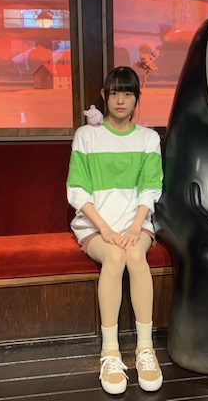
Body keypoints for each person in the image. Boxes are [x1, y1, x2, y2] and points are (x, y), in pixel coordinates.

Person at [66, 66, 164, 395]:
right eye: (114, 93)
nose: (120, 100)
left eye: (128, 93)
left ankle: (145, 350)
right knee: (115, 256)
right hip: (95, 225)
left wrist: (135, 227)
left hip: (136, 224)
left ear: (137, 98)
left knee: (134, 255)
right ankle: (110, 352)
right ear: (104, 96)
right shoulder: (86, 136)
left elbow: (151, 189)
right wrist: (105, 230)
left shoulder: (148, 138)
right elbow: (77, 190)